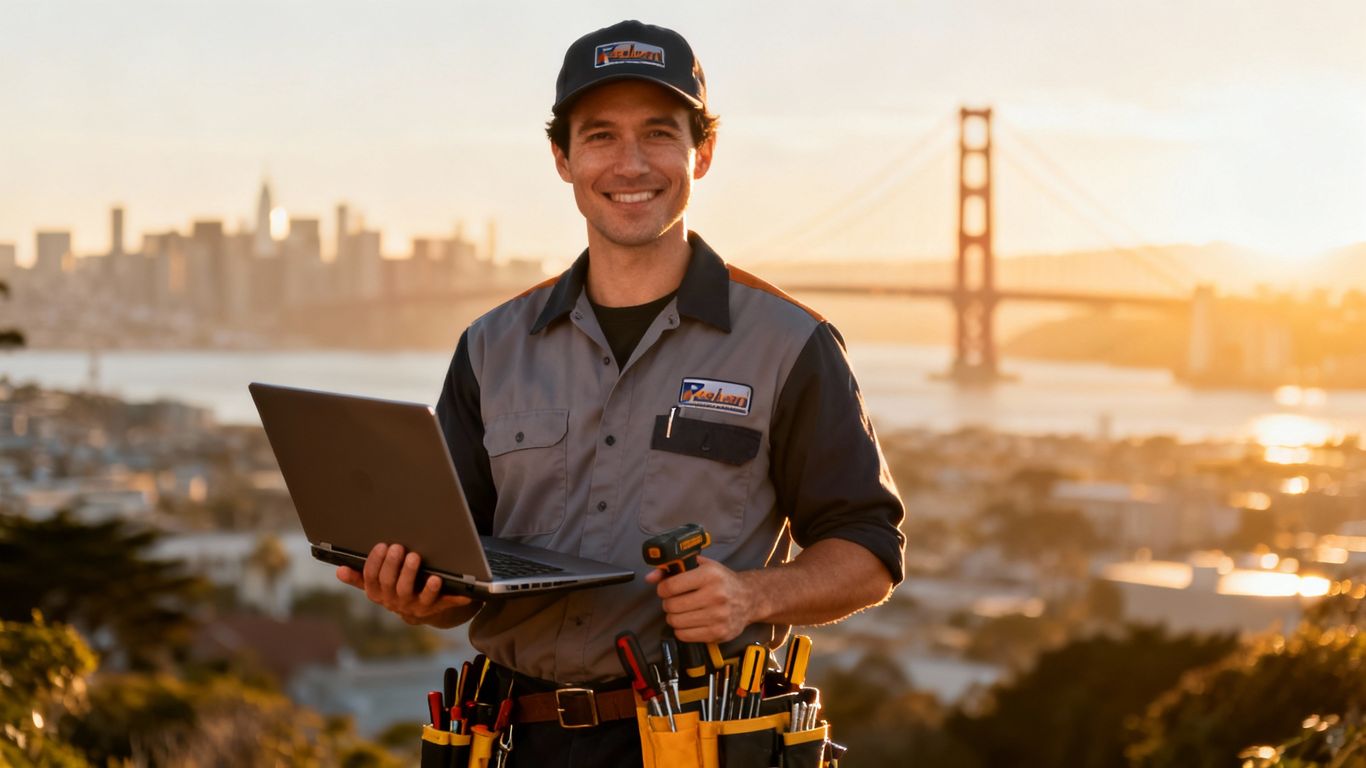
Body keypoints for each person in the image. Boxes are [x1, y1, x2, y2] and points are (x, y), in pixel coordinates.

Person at [336, 20, 905, 766]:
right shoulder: (490, 346)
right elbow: (460, 569)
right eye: (600, 135)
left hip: (700, 740)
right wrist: (419, 593)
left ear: (702, 152)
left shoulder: (790, 342)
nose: (630, 163)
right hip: (514, 740)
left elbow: (869, 549)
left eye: (659, 133)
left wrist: (752, 597)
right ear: (562, 159)